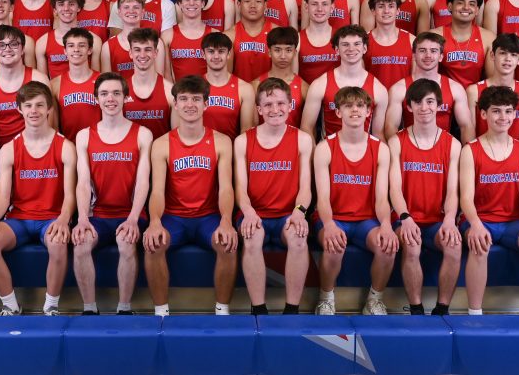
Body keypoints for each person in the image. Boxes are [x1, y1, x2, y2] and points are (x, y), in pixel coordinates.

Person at [0, 81, 76, 316]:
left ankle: (51, 306)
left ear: (49, 109)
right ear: (19, 109)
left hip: (52, 218)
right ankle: (10, 305)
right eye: (28, 105)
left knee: (58, 242)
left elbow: (70, 194)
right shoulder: (9, 149)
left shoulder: (65, 146)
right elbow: (3, 197)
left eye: (40, 105)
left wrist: (64, 220)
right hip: (19, 219)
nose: (34, 111)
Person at [459, 85, 519, 315]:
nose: (503, 117)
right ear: (483, 114)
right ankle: (475, 314)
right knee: (480, 245)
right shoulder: (470, 150)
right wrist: (475, 225)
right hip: (479, 220)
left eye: (508, 111)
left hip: (511, 223)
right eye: (496, 111)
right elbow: (466, 198)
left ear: (515, 114)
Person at [143, 75, 237, 316]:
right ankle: (161, 312)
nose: (190, 104)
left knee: (227, 243)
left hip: (208, 217)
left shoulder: (222, 142)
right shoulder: (162, 144)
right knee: (153, 244)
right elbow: (157, 190)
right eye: (184, 99)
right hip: (174, 217)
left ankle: (222, 310)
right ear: (175, 104)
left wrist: (226, 220)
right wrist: (155, 221)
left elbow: (226, 188)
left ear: (206, 103)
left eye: (196, 99)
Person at [72, 72, 153, 315]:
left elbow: (143, 181)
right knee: (81, 244)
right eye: (105, 94)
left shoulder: (142, 134)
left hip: (130, 213)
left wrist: (133, 218)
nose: (110, 99)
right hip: (97, 214)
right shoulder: (84, 135)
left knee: (126, 243)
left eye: (117, 93)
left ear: (126, 98)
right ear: (96, 98)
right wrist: (82, 218)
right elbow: (83, 182)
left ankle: (124, 308)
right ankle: (89, 309)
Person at [313, 86, 397, 315]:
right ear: (338, 112)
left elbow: (382, 198)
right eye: (348, 106)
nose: (355, 110)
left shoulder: (381, 149)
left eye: (360, 106)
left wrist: (386, 225)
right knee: (334, 245)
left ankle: (374, 300)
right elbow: (322, 198)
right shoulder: (324, 148)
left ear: (368, 111)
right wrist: (329, 225)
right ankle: (326, 299)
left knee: (387, 247)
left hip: (365, 221)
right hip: (333, 217)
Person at [235, 78, 314, 314]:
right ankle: (258, 309)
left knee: (299, 239)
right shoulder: (243, 141)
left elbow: (305, 188)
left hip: (287, 214)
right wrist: (248, 212)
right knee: (252, 238)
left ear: (290, 106)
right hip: (255, 212)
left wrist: (299, 213)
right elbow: (240, 188)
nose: (275, 109)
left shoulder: (302, 139)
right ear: (259, 109)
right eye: (268, 105)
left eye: (280, 103)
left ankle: (292, 309)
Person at [387, 78, 462, 315]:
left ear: (439, 105)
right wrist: (405, 217)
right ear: (409, 107)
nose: (424, 107)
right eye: (417, 102)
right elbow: (394, 189)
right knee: (411, 245)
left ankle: (442, 309)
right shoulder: (396, 141)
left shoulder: (453, 144)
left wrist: (449, 220)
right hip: (405, 218)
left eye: (429, 101)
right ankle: (416, 309)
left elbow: (452, 191)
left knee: (454, 245)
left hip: (437, 221)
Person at [301, 25, 388, 139]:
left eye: (357, 44)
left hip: (364, 149)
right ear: (337, 49)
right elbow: (306, 128)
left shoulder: (379, 89)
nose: (351, 49)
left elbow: (378, 134)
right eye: (345, 44)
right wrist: (317, 150)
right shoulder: (320, 84)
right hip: (329, 149)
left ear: (365, 48)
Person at [384, 32, 473, 141]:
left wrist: (466, 151)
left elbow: (466, 126)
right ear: (414, 56)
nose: (428, 55)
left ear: (441, 56)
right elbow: (391, 127)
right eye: (422, 50)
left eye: (433, 51)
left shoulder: (455, 88)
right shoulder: (399, 88)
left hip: (444, 148)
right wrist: (400, 148)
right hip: (409, 147)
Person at [0, 25, 49, 146]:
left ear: (23, 49)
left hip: (34, 148)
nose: (7, 49)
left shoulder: (39, 79)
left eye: (14, 44)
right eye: (0, 45)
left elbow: (50, 127)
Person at [467, 34, 519, 143]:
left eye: (513, 55)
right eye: (502, 53)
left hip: (515, 151)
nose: (508, 59)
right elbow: (470, 134)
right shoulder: (474, 91)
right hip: (482, 149)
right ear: (492, 55)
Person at [429, 0, 495, 88]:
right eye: (460, 3)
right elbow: (428, 77)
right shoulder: (434, 36)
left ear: (477, 10)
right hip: (442, 94)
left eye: (472, 4)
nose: (466, 7)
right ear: (450, 6)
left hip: (477, 95)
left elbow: (492, 80)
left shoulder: (489, 38)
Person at [123, 28, 176, 139]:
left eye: (147, 49)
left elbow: (176, 138)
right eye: (137, 50)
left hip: (161, 150)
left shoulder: (170, 91)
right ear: (130, 53)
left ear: (155, 53)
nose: (142, 55)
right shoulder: (121, 91)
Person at [202, 31, 256, 140]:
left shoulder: (245, 89)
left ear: (229, 54)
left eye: (221, 51)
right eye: (211, 51)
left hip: (232, 147)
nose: (216, 56)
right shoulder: (193, 87)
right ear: (203, 54)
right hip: (201, 149)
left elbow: (245, 132)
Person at [101, 0, 168, 76]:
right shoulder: (108, 46)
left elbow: (159, 79)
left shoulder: (157, 43)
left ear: (143, 12)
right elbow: (107, 82)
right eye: (126, 7)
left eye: (136, 7)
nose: (131, 11)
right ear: (119, 12)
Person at [51, 28, 102, 140]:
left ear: (90, 50)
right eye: (71, 46)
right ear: (65, 51)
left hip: (97, 145)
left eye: (81, 45)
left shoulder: (103, 81)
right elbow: (54, 128)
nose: (76, 50)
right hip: (68, 145)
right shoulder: (55, 84)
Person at [226, 0, 283, 82]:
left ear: (265, 5)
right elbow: (226, 78)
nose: (253, 6)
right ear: (239, 5)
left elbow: (284, 75)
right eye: (247, 1)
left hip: (271, 90)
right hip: (240, 91)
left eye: (258, 1)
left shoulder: (278, 34)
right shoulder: (229, 36)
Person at [37, 0, 99, 78]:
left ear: (79, 8)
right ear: (55, 10)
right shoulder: (42, 42)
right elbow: (42, 81)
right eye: (61, 4)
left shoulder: (94, 40)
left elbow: (96, 79)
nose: (66, 8)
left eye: (71, 4)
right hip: (55, 87)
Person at [253, 26, 305, 128]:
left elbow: (307, 127)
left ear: (295, 53)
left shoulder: (304, 87)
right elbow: (252, 127)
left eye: (288, 50)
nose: (283, 56)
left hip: (294, 137)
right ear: (269, 52)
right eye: (277, 50)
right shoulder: (255, 86)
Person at [163, 0, 213, 80]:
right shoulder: (167, 35)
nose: (191, 3)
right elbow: (166, 74)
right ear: (179, 4)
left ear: (203, 3)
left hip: (207, 89)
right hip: (177, 89)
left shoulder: (214, 34)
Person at [365, 0, 414, 88]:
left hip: (404, 97)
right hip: (372, 97)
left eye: (391, 6)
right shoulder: (363, 41)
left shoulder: (412, 40)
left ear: (398, 11)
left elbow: (416, 79)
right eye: (381, 6)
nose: (386, 11)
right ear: (373, 11)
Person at [297, 0, 341, 84]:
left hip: (338, 93)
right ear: (306, 7)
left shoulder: (342, 37)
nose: (319, 9)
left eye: (324, 4)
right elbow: (294, 78)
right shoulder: (298, 38)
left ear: (332, 8)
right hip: (307, 93)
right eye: (314, 4)